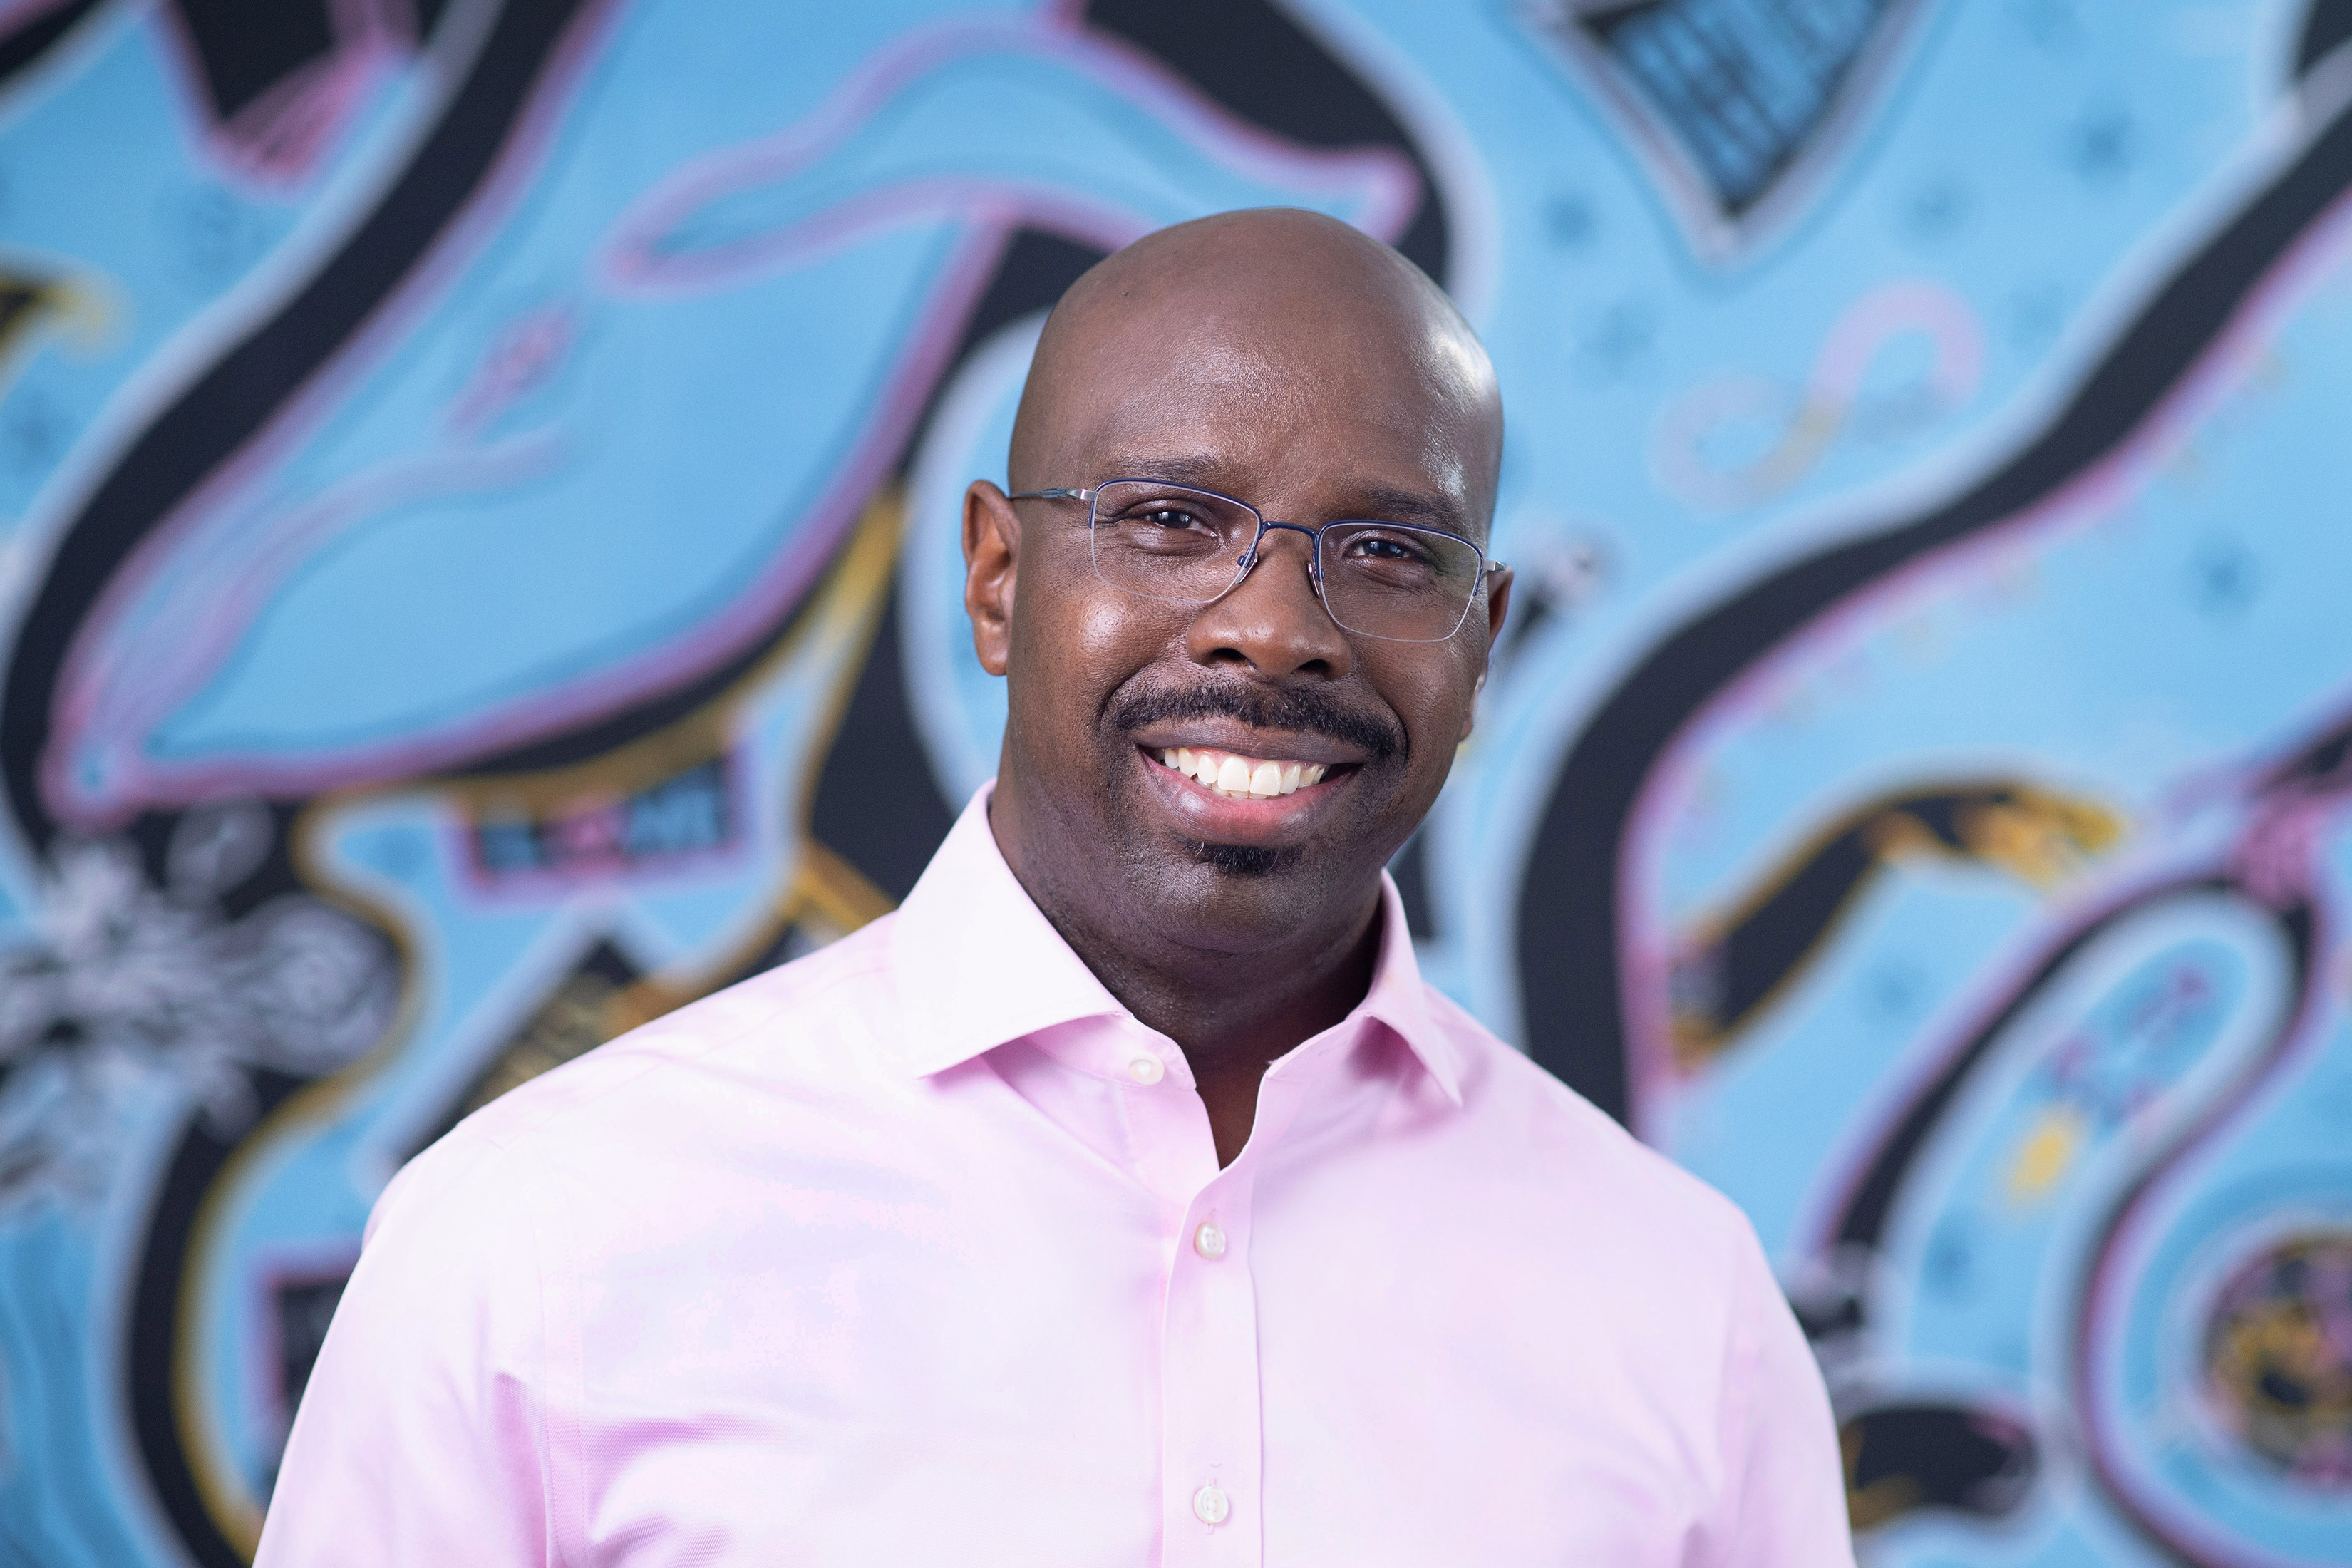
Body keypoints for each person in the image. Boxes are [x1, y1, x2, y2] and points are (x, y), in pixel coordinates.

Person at [257, 208, 1855, 1566]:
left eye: (1384, 550)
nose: (1275, 628)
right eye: (1172, 520)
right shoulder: (536, 1236)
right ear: (998, 579)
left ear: (1482, 636)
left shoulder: (1679, 1306)